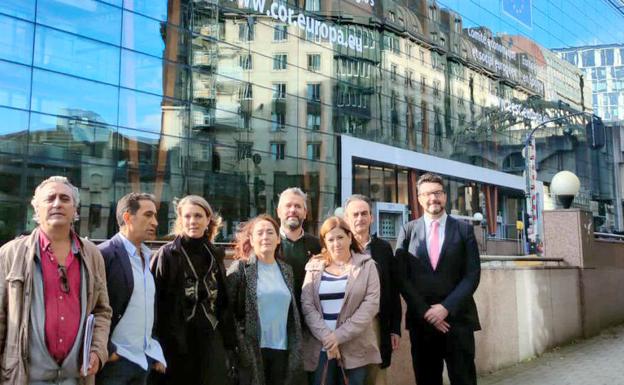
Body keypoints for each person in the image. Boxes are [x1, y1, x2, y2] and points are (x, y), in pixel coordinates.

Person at [0, 176, 111, 385]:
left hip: (76, 378)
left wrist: (97, 350)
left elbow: (102, 311)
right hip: (24, 377)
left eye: (64, 198)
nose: (57, 203)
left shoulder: (93, 255)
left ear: (75, 210)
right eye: (50, 198)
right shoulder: (9, 255)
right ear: (36, 210)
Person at [395, 173, 481, 385]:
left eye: (437, 193)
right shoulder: (408, 230)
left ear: (445, 196)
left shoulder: (464, 230)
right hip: (422, 324)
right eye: (427, 194)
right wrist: (426, 311)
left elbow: (472, 275)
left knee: (464, 379)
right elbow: (401, 277)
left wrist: (445, 308)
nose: (433, 198)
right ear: (419, 198)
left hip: (458, 322)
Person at [150, 195, 236, 385]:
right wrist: (155, 347)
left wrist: (229, 344)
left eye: (198, 216)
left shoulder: (215, 254)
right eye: (187, 216)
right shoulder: (167, 254)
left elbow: (223, 302)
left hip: (210, 339)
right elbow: (154, 304)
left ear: (208, 221)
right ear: (180, 220)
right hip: (176, 343)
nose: (192, 221)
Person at [301, 216, 380, 385]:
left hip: (356, 347)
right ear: (324, 242)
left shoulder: (367, 265)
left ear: (350, 238)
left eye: (340, 237)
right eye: (330, 239)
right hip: (321, 347)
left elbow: (371, 305)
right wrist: (328, 338)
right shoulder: (314, 266)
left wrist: (338, 336)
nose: (336, 243)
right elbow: (307, 305)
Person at [97, 193, 166, 385]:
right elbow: (89, 308)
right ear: (127, 217)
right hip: (115, 362)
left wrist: (154, 348)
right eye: (148, 215)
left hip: (143, 361)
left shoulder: (147, 256)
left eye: (155, 216)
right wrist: (108, 350)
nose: (155, 223)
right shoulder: (104, 254)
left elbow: (147, 308)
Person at [227, 214, 303, 385]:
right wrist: (240, 344)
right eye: (259, 233)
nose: (265, 237)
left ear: (278, 239)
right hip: (252, 350)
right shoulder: (241, 269)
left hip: (283, 349)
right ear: (252, 240)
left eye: (270, 232)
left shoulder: (286, 270)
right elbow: (227, 311)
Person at [343, 195, 401, 385]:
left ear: (371, 217)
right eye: (355, 214)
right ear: (346, 218)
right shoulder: (338, 246)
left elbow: (393, 290)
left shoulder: (383, 248)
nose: (360, 218)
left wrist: (395, 329)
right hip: (345, 324)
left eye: (364, 213)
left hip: (376, 323)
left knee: (377, 377)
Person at [276, 187, 321, 313]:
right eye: (288, 206)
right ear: (279, 211)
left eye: (298, 206)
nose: (293, 210)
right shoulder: (268, 244)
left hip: (309, 318)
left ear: (305, 213)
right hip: (277, 316)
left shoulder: (318, 246)